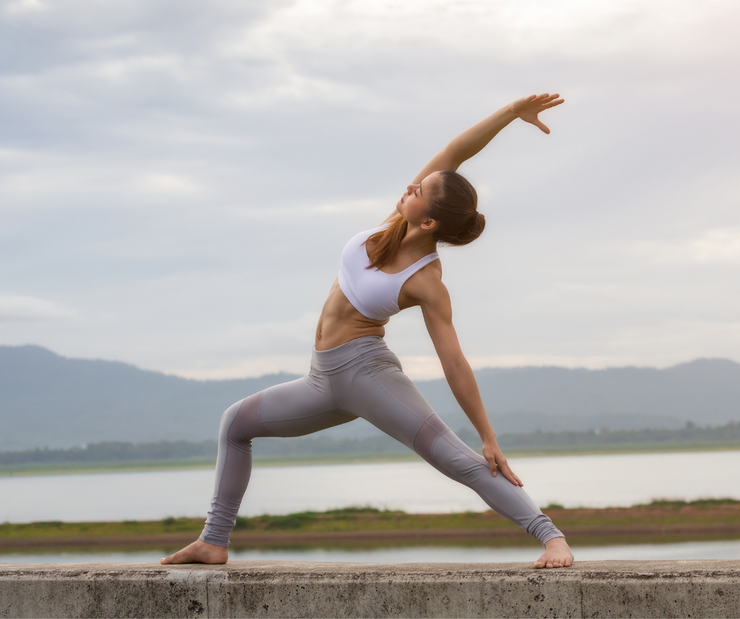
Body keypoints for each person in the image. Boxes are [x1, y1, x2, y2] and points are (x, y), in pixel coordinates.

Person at [161, 93, 573, 569]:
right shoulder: (393, 225)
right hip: (321, 380)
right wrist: (509, 113)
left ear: (430, 220)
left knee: (458, 460)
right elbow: (457, 151)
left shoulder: (426, 281)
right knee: (235, 424)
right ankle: (214, 541)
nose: (410, 187)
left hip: (368, 377)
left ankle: (551, 538)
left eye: (419, 191)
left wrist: (489, 436)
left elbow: (454, 362)